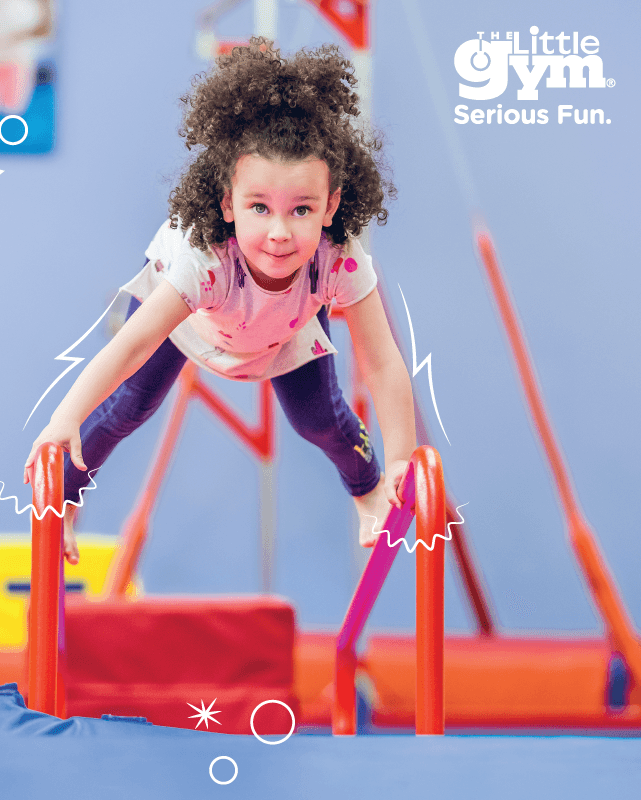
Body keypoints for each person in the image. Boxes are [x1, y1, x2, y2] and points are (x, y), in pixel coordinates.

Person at [24, 37, 416, 566]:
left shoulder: (337, 258)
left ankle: (367, 491)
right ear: (228, 204)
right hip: (190, 319)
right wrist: (63, 418)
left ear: (331, 206)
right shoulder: (204, 259)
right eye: (260, 207)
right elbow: (132, 346)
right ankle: (66, 498)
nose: (279, 233)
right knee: (130, 404)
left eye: (302, 210)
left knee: (319, 418)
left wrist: (401, 459)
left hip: (284, 328)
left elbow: (383, 363)